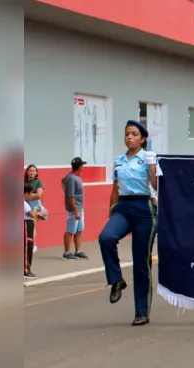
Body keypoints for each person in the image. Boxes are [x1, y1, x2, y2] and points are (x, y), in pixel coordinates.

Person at [99, 120, 159, 326]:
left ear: (143, 139)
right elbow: (115, 188)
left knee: (141, 262)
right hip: (123, 207)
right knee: (106, 237)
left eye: (134, 134)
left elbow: (156, 185)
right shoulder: (118, 160)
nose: (129, 137)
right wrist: (111, 213)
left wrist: (152, 165)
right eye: (127, 134)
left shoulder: (149, 159)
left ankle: (141, 311)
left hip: (144, 208)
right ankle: (116, 280)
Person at [62, 157, 89, 260]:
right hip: (74, 210)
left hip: (79, 208)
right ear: (79, 167)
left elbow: (62, 181)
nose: (83, 167)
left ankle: (78, 251)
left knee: (79, 230)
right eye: (82, 165)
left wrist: (66, 190)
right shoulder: (72, 178)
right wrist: (76, 211)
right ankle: (67, 252)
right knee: (70, 231)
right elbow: (71, 197)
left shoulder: (74, 176)